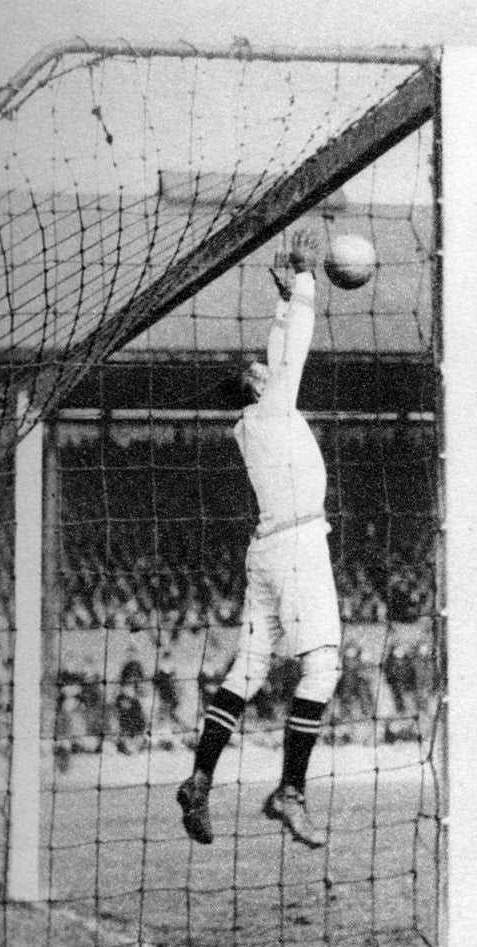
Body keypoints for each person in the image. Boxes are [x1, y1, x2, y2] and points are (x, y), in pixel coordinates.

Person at [177, 229, 341, 849]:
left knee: (248, 666)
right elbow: (293, 350)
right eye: (256, 368)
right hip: (298, 548)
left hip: (267, 550)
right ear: (252, 385)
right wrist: (304, 282)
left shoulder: (252, 422)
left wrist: (281, 301)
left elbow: (279, 349)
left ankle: (200, 778)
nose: (263, 364)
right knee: (321, 667)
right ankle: (289, 790)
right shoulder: (272, 405)